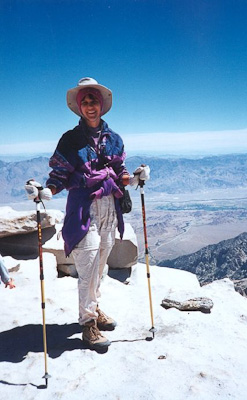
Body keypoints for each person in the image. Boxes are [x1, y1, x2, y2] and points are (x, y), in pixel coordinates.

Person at [25, 77, 149, 351]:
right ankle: (87, 325)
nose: (90, 106)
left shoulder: (114, 139)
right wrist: (45, 191)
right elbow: (59, 175)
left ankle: (95, 307)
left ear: (102, 105)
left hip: (109, 207)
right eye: (86, 102)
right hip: (83, 207)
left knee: (101, 261)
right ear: (79, 107)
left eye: (94, 100)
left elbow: (119, 171)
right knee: (89, 263)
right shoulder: (70, 140)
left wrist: (135, 177)